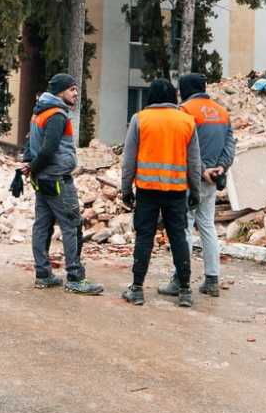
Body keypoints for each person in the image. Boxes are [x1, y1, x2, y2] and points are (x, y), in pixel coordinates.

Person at [118, 77, 201, 308]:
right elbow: (194, 162)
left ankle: (136, 289)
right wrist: (195, 191)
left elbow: (128, 159)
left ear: (151, 96)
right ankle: (185, 290)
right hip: (176, 191)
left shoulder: (140, 119)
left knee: (144, 237)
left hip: (146, 190)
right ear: (173, 97)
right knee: (178, 238)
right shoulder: (187, 121)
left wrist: (126, 189)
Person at [16, 73, 102, 295]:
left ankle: (43, 274)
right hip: (57, 180)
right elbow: (49, 148)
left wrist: (30, 166)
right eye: (72, 89)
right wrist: (33, 166)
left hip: (42, 180)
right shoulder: (56, 115)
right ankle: (75, 277)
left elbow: (31, 144)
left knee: (42, 225)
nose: (75, 94)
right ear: (60, 91)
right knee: (72, 226)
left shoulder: (39, 112)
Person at [177, 72, 236, 298]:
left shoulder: (185, 111)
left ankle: (179, 278)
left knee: (185, 226)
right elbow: (230, 144)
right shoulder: (221, 111)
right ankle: (212, 279)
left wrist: (201, 171)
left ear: (185, 89)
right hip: (213, 179)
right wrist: (220, 168)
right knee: (207, 227)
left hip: (190, 179)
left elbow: (185, 147)